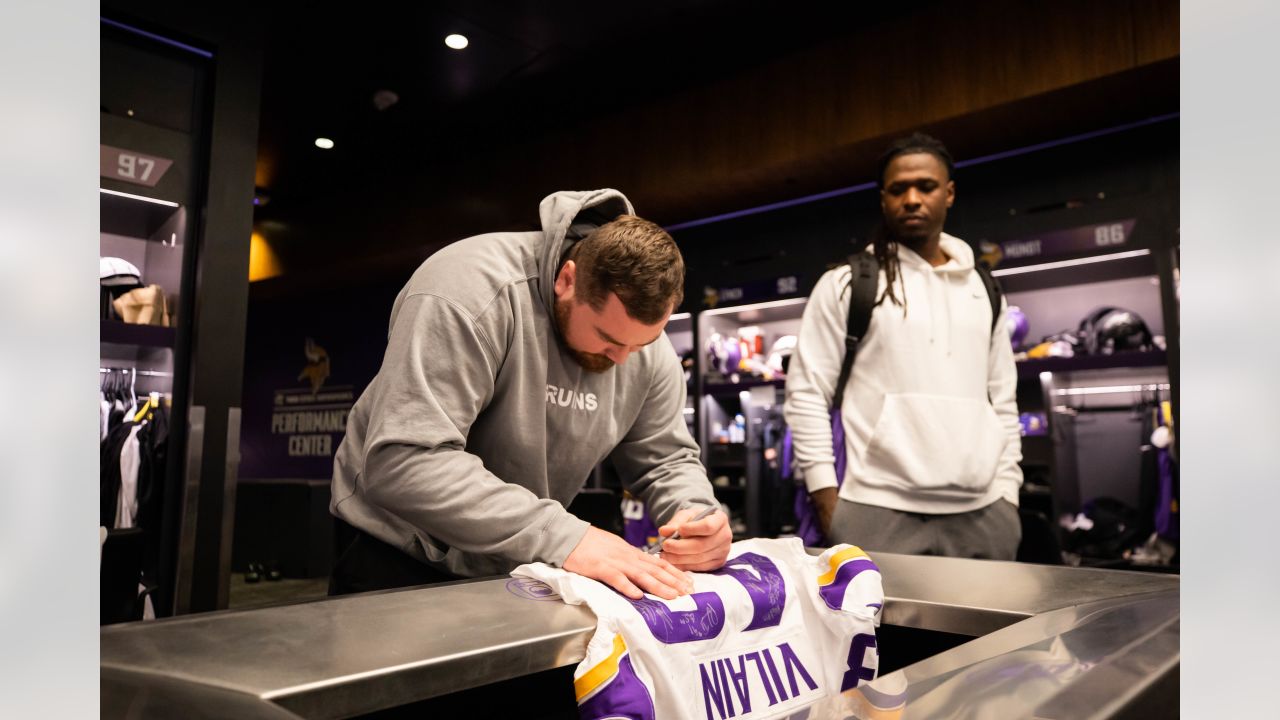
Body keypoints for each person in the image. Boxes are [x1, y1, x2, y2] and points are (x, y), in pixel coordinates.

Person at [330, 189, 732, 599]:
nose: (625, 360)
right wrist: (565, 536)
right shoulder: (469, 291)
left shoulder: (642, 348)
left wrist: (697, 515)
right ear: (567, 280)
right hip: (400, 552)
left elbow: (664, 458)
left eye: (642, 345)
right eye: (608, 340)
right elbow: (403, 462)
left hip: (520, 557)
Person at [783, 133, 1023, 559]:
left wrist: (1009, 491)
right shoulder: (845, 284)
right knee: (879, 630)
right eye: (898, 189)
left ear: (948, 194)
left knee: (994, 630)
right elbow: (806, 394)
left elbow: (1003, 398)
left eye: (926, 187)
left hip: (986, 512)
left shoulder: (985, 289)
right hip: (873, 509)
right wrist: (825, 495)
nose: (912, 199)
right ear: (883, 199)